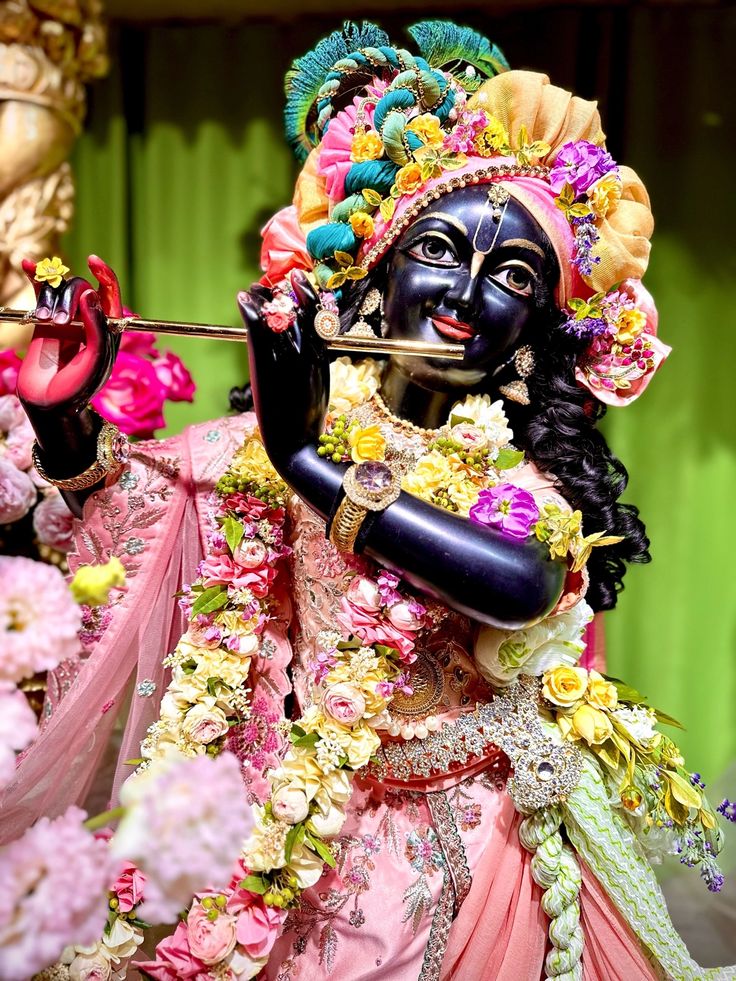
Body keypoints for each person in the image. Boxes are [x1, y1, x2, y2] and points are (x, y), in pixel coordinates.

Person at [6, 20, 734, 981]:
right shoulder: (272, 444)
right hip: (294, 838)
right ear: (376, 273)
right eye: (437, 248)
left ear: (534, 332)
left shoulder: (516, 480)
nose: (465, 292)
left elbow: (519, 584)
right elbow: (134, 523)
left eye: (515, 274)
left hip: (483, 852)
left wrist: (305, 459)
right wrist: (61, 419)